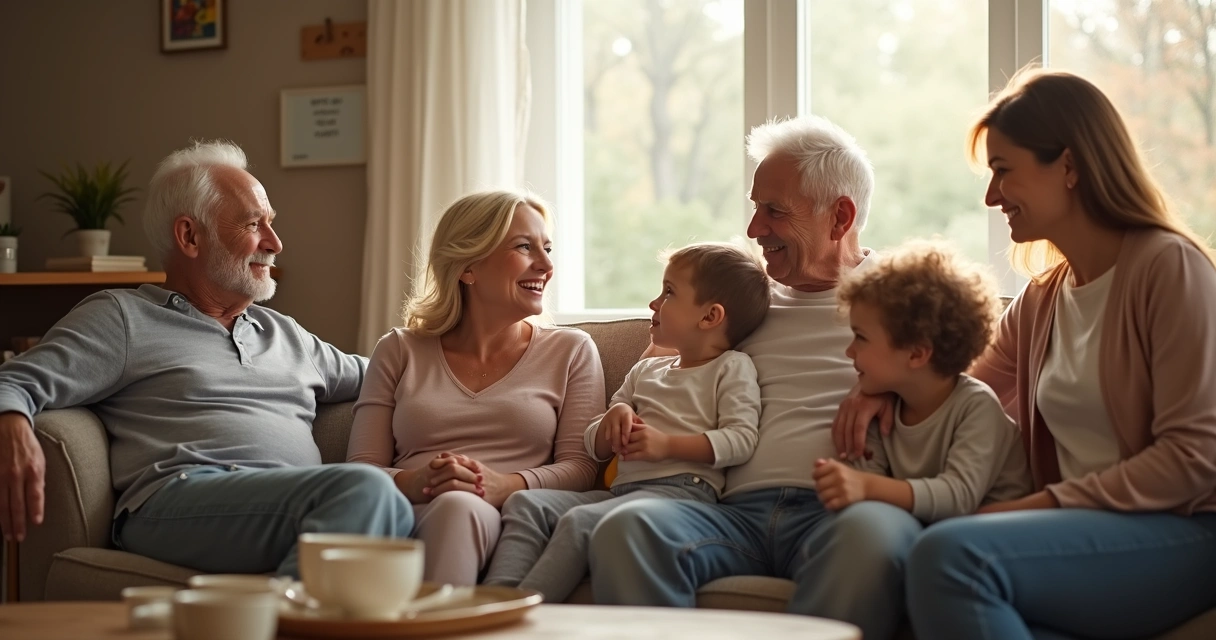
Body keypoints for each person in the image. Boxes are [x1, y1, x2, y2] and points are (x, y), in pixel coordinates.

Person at [836, 68, 1216, 639]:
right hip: (1079, 534)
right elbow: (952, 382)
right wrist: (878, 387)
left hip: (1182, 532)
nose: (991, 197)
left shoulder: (1168, 268)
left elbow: (1193, 456)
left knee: (955, 557)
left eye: (1003, 171)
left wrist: (1043, 504)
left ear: (1068, 166)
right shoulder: (1043, 299)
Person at [0, 140, 411, 577]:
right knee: (367, 492)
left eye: (270, 224)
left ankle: (273, 608)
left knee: (402, 512)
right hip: (179, 502)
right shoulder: (124, 319)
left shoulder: (283, 333)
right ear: (190, 236)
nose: (275, 243)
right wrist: (12, 424)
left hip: (293, 504)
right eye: (254, 224)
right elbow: (15, 381)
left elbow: (390, 376)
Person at [586, 115, 924, 640]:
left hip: (842, 512)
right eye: (754, 208)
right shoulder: (744, 300)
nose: (753, 229)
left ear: (840, 216)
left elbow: (958, 394)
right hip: (730, 516)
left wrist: (883, 384)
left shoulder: (905, 297)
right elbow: (660, 366)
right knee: (629, 527)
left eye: (774, 211)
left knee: (876, 536)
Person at [483, 242, 769, 602]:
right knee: (526, 504)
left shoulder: (731, 367)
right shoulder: (646, 369)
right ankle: (495, 601)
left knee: (580, 521)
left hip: (682, 494)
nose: (654, 303)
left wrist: (667, 445)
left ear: (710, 317)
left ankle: (524, 612)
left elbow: (741, 440)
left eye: (669, 292)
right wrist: (611, 419)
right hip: (621, 493)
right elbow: (594, 444)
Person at [346, 190, 605, 585]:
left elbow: (582, 467)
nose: (546, 265)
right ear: (468, 267)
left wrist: (504, 485)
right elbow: (359, 471)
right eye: (525, 247)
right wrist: (415, 481)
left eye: (547, 248)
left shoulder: (570, 350)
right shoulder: (399, 348)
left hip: (502, 513)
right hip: (404, 508)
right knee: (449, 507)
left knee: (458, 508)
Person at [814, 241, 1032, 522]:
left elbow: (958, 497)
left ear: (916, 354)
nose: (849, 351)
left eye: (861, 337)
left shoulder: (977, 407)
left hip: (992, 536)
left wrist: (866, 486)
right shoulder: (882, 409)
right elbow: (867, 493)